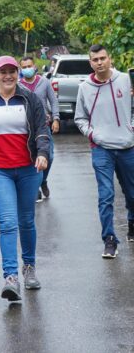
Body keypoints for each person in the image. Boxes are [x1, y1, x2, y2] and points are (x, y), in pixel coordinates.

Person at [0, 56, 50, 302]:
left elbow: (42, 131)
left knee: (26, 220)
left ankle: (29, 268)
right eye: (2, 72)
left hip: (28, 169)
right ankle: (11, 278)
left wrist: (43, 154)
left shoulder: (30, 98)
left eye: (12, 71)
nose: (8, 76)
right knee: (7, 222)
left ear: (17, 73)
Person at [74, 44, 134, 258]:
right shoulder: (85, 88)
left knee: (132, 193)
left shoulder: (126, 81)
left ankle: (132, 221)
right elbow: (79, 117)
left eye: (102, 58)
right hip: (101, 149)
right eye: (95, 60)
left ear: (110, 59)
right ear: (90, 63)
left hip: (128, 146)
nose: (99, 62)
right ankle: (109, 239)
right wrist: (93, 134)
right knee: (105, 195)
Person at [19, 56, 60, 202]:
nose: (27, 69)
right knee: (31, 157)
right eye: (24, 67)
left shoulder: (44, 82)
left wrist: (56, 119)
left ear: (34, 66)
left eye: (29, 66)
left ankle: (43, 180)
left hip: (44, 125)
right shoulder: (19, 85)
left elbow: (53, 101)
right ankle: (35, 186)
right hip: (25, 128)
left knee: (49, 156)